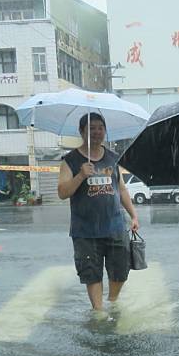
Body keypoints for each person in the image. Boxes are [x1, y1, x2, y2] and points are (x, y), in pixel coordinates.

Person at [57, 113, 139, 314]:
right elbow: (62, 192)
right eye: (91, 128)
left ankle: (111, 302)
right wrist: (80, 175)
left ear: (105, 131)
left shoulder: (112, 158)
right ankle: (99, 311)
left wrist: (133, 215)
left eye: (100, 128)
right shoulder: (71, 160)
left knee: (120, 271)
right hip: (85, 231)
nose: (96, 132)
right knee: (91, 274)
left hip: (115, 227)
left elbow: (121, 189)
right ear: (82, 131)